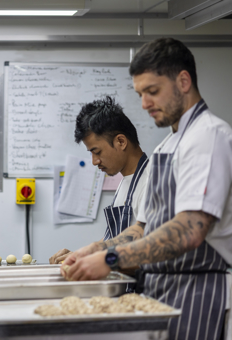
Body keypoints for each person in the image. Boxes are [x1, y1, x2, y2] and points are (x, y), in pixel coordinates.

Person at [61, 38, 232, 340]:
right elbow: (143, 228)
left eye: (152, 92)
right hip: (164, 290)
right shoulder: (168, 146)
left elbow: (188, 231)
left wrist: (111, 260)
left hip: (202, 289)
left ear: (183, 81)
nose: (144, 104)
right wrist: (96, 249)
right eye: (140, 94)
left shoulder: (209, 137)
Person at [49, 96, 149, 264]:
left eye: (97, 152)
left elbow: (147, 252)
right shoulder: (125, 182)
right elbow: (115, 240)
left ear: (121, 141)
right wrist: (80, 257)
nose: (94, 161)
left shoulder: (152, 183)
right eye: (91, 154)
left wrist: (93, 259)